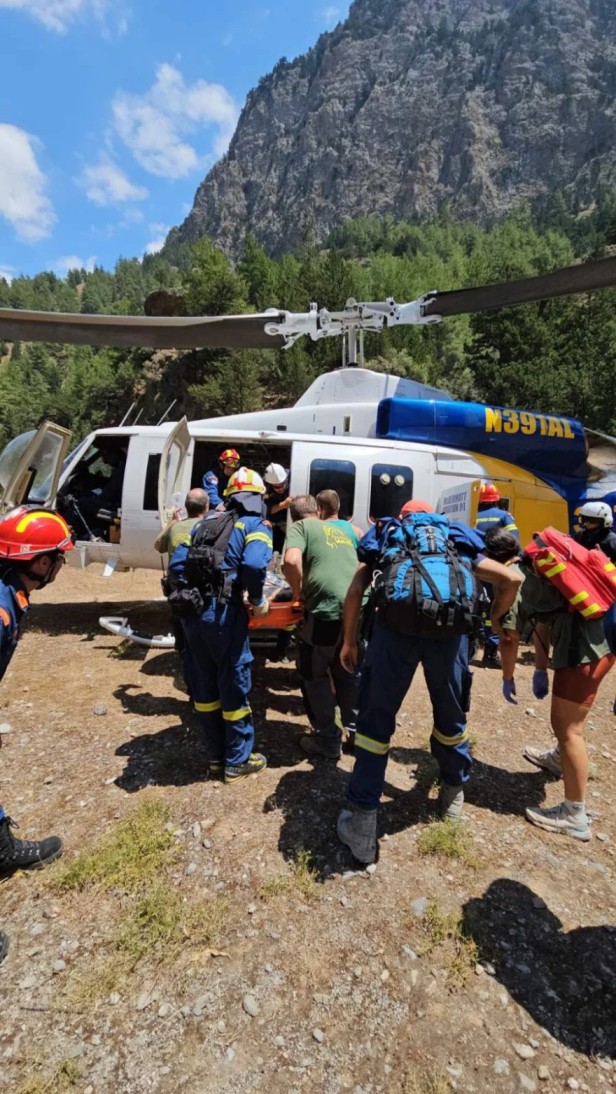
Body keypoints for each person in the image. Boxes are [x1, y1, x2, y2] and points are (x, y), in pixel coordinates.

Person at [336, 502, 521, 863]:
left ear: (404, 517)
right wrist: (495, 620)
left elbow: (356, 591)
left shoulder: (389, 533)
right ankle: (452, 796)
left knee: (374, 726)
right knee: (451, 716)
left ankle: (362, 828)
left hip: (394, 633)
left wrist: (348, 640)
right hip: (450, 634)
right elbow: (512, 578)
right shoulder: (455, 536)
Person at [0, 506, 74, 963]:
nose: (60, 566)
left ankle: (2, 847)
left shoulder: (12, 594)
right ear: (39, 562)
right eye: (58, 558)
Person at [501, 545, 615, 842]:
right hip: (600, 635)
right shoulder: (537, 566)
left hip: (584, 647)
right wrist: (540, 669)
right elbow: (543, 622)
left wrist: (508, 676)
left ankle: (574, 815)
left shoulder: (512, 577)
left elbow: (510, 638)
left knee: (569, 728)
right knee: (565, 722)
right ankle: (557, 759)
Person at [170, 468, 272, 782]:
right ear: (257, 498)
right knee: (233, 684)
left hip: (192, 614)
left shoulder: (204, 523)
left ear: (228, 497)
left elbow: (176, 564)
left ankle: (215, 758)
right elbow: (255, 565)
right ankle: (238, 760)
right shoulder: (255, 525)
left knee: (204, 687)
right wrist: (255, 599)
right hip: (224, 615)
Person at [284, 489, 361, 759]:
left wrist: (297, 593)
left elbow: (291, 561)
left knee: (313, 674)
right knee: (347, 670)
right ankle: (357, 734)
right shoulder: (346, 529)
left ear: (295, 517)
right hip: (355, 610)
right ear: (317, 510)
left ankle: (328, 739)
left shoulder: (302, 527)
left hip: (325, 612)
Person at [155, 488, 210, 694]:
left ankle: (188, 675)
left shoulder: (176, 528)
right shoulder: (210, 526)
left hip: (179, 592)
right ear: (206, 507)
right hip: (203, 592)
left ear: (186, 508)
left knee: (182, 633)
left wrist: (172, 523)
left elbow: (158, 545)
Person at [474, 482, 519, 667]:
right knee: (496, 608)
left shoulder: (473, 516)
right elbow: (514, 540)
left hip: (479, 567)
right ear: (497, 499)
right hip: (498, 569)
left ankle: (473, 647)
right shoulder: (504, 516)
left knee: (478, 606)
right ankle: (490, 654)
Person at [263, 463, 290, 555]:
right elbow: (265, 508)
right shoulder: (264, 486)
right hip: (272, 524)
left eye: (283, 484)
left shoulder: (293, 477)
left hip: (288, 523)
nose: (281, 488)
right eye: (277, 487)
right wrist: (284, 504)